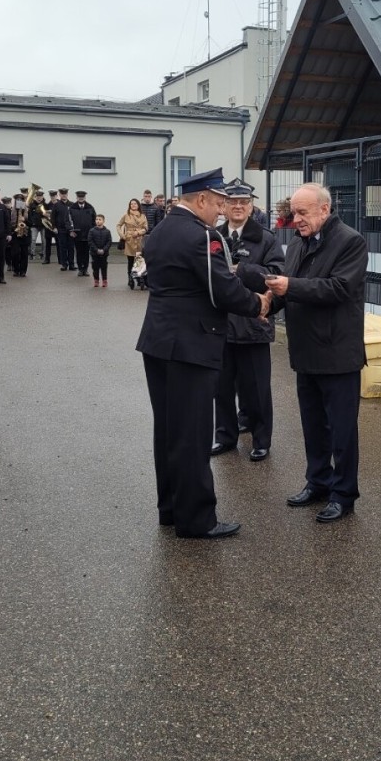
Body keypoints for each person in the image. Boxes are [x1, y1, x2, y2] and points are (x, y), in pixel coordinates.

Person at [136, 167, 271, 539]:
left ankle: (171, 509)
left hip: (158, 342)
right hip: (191, 345)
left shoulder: (162, 229)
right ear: (201, 200)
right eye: (219, 203)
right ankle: (196, 520)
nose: (222, 210)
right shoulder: (202, 235)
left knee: (167, 430)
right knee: (192, 434)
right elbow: (221, 290)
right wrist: (257, 303)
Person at [266, 183, 368, 524]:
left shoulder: (350, 242)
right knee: (313, 425)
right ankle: (318, 482)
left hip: (338, 353)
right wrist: (265, 305)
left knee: (341, 430)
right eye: (294, 213)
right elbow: (288, 288)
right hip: (306, 352)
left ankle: (344, 494)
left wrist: (289, 287)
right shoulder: (297, 243)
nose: (296, 219)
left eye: (303, 213)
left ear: (324, 210)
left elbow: (338, 288)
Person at [211, 179, 284, 462]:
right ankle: (225, 436)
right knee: (222, 387)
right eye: (232, 202)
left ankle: (261, 440)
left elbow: (277, 274)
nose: (238, 207)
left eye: (243, 202)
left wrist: (243, 269)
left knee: (257, 389)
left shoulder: (265, 238)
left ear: (251, 206)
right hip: (220, 325)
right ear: (225, 206)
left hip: (253, 324)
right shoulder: (213, 235)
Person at [117, 198, 148, 289]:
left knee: (139, 260)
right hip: (129, 240)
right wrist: (122, 235)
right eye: (131, 204)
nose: (133, 205)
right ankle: (130, 278)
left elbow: (146, 228)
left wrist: (139, 232)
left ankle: (140, 278)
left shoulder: (143, 216)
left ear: (138, 205)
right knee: (130, 261)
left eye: (135, 204)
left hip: (139, 240)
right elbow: (118, 225)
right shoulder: (126, 215)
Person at [70, 190, 97, 276]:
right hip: (77, 234)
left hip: (88, 234)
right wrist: (71, 230)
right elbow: (68, 220)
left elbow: (94, 220)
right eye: (79, 197)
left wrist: (93, 231)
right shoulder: (72, 207)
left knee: (86, 252)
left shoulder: (90, 207)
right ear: (77, 198)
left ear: (85, 198)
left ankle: (85, 269)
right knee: (78, 252)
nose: (81, 199)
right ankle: (80, 269)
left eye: (82, 197)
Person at [53, 188, 75, 271]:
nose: (64, 195)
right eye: (62, 194)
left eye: (65, 194)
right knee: (63, 247)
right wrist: (54, 227)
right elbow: (53, 217)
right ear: (60, 195)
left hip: (70, 230)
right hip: (61, 229)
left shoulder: (72, 204)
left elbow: (74, 217)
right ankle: (64, 265)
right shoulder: (56, 205)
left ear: (67, 195)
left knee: (71, 247)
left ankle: (71, 264)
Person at [88, 213, 112, 287]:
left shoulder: (107, 231)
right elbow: (90, 241)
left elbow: (109, 242)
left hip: (104, 253)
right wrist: (96, 250)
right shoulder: (92, 231)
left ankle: (104, 280)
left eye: (99, 219)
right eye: (97, 219)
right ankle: (96, 280)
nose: (98, 221)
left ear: (103, 221)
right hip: (95, 253)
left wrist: (104, 250)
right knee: (95, 267)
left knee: (104, 267)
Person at [42, 190, 60, 264]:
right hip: (49, 227)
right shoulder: (47, 205)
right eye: (51, 196)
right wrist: (45, 214)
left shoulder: (60, 204)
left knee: (59, 244)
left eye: (54, 196)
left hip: (57, 226)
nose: (53, 197)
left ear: (56, 196)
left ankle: (60, 259)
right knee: (48, 244)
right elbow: (43, 214)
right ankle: (47, 259)